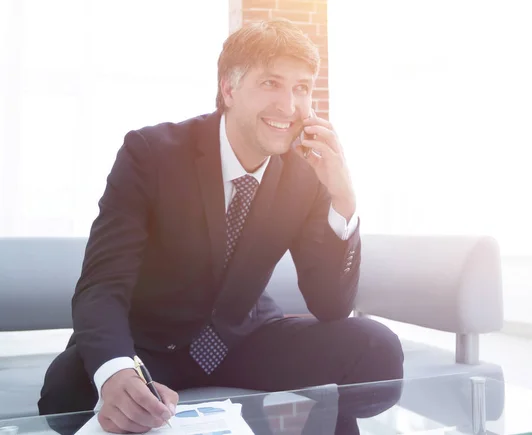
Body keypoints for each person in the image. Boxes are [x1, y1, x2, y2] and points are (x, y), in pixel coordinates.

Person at [38, 18, 404, 433]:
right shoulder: (150, 154)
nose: (289, 105)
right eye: (271, 83)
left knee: (375, 350)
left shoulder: (307, 174)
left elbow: (331, 306)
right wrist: (117, 371)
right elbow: (102, 285)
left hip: (246, 340)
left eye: (301, 88)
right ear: (229, 89)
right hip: (152, 343)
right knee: (67, 388)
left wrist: (343, 199)